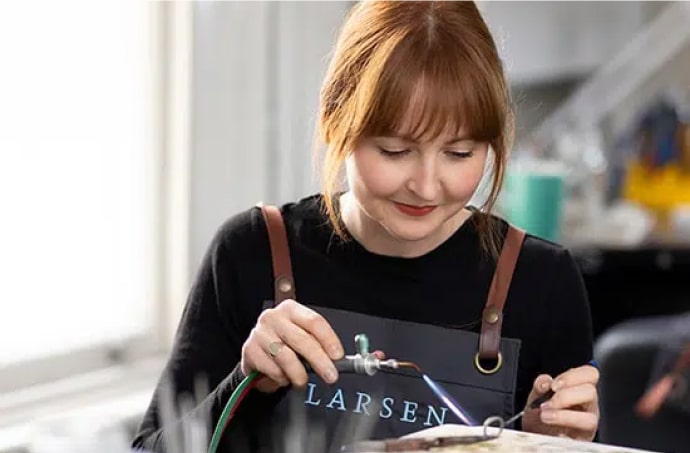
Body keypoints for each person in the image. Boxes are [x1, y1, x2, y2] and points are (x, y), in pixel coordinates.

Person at [133, 2, 599, 452]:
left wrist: (551, 442)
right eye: (395, 151)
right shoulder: (250, 252)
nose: (426, 186)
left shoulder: (541, 281)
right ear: (338, 121)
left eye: (459, 154)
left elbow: (566, 434)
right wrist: (245, 385)